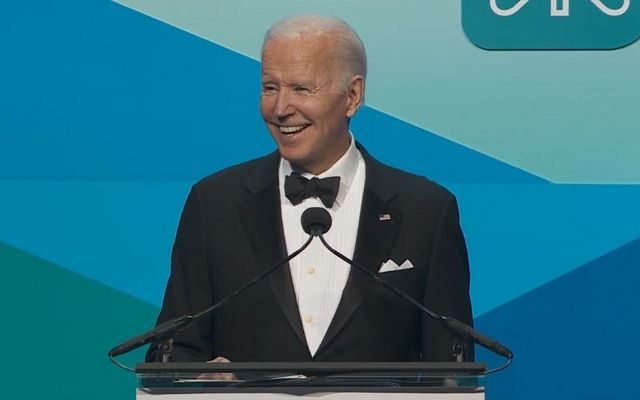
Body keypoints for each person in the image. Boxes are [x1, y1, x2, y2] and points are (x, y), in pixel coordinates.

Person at [146, 15, 473, 363]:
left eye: (301, 89)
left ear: (352, 96)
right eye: (270, 88)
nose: (280, 108)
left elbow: (453, 366)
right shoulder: (214, 204)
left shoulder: (426, 211)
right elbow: (171, 350)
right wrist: (199, 379)